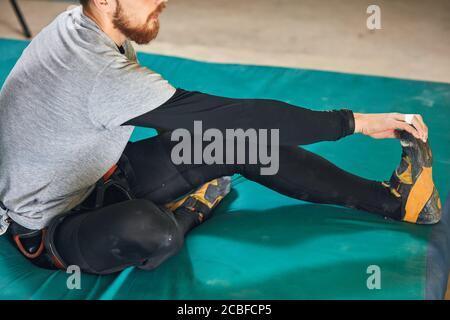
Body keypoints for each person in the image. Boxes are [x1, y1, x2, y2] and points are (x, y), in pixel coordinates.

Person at [0, 0, 441, 275]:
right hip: (49, 227)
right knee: (154, 232)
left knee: (235, 140)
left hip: (100, 176)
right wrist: (353, 122)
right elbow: (238, 117)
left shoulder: (86, 25)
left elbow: (230, 126)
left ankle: (395, 200)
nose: (163, 2)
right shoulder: (99, 72)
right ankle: (189, 211)